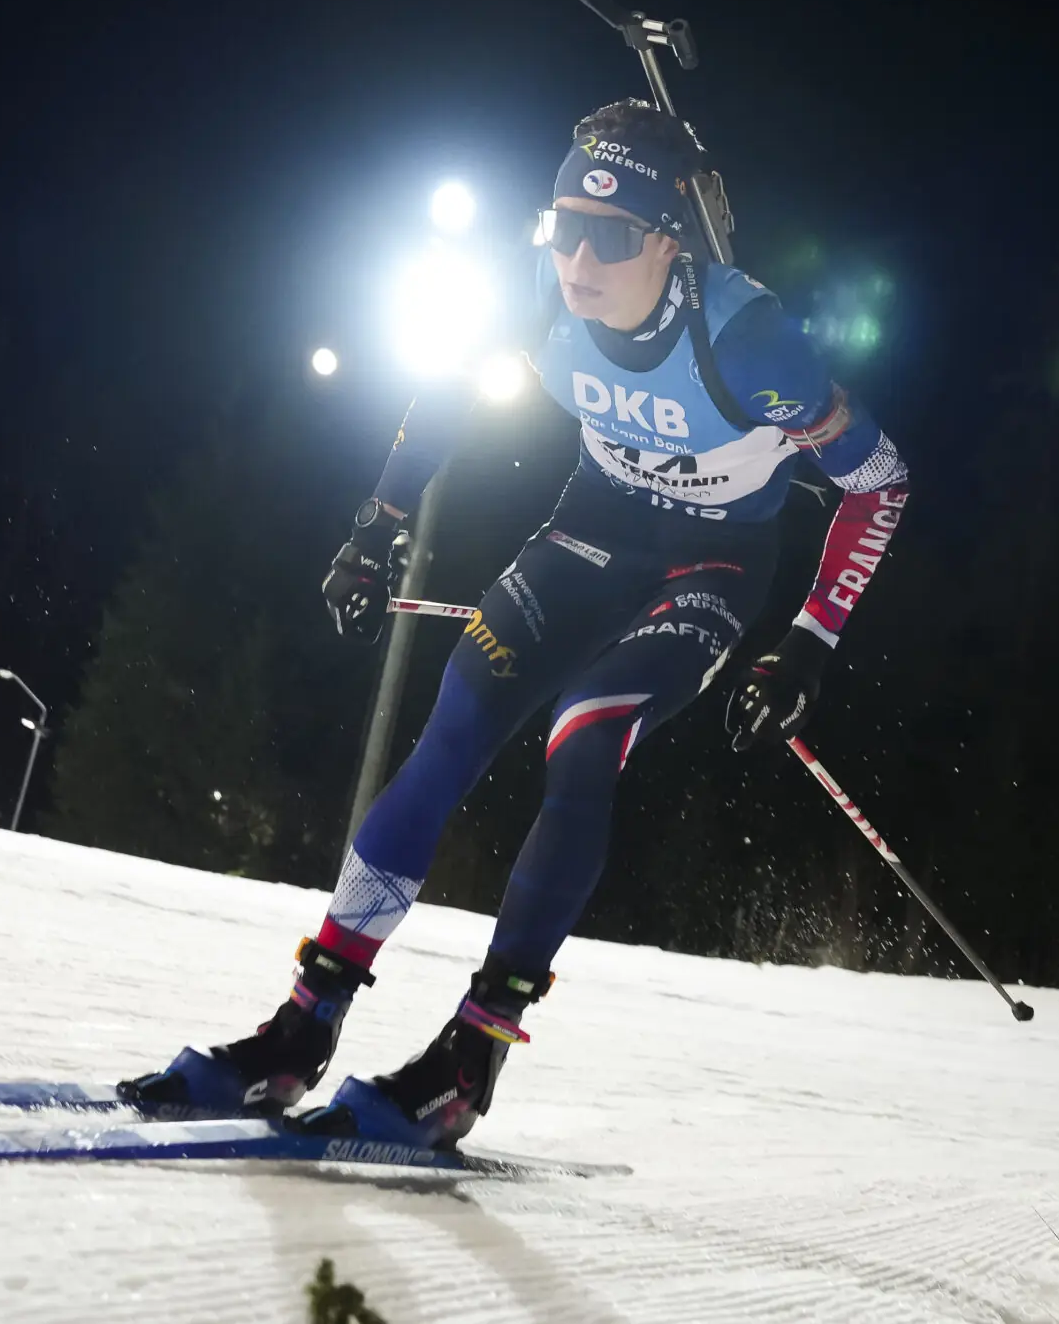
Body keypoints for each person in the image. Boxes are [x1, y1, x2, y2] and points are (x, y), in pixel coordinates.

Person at [121, 99, 910, 1148]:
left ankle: (470, 1057)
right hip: (588, 532)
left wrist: (811, 636)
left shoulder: (751, 341)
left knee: (584, 734)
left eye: (610, 236)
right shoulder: (536, 290)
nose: (577, 259)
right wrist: (378, 523)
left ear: (670, 241)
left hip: (711, 567)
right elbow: (446, 390)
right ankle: (304, 1025)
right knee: (452, 727)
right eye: (563, 224)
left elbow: (880, 481)